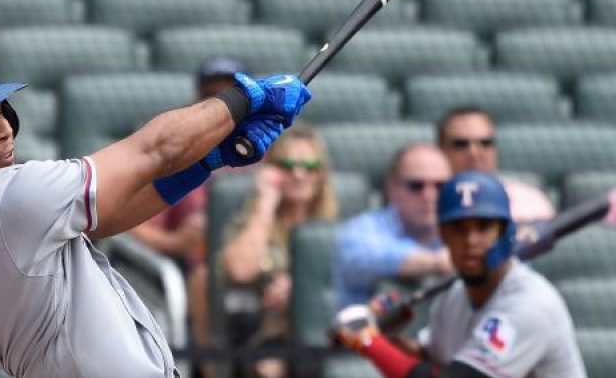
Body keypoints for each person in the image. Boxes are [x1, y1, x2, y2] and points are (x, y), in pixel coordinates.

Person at [0, 54, 311, 378]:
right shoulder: (9, 199)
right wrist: (244, 98)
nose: (4, 130)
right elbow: (154, 150)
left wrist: (205, 160)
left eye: (0, 111)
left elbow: (105, 215)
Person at [333, 171, 586, 378]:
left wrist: (370, 343)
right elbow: (433, 363)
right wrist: (390, 340)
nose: (471, 241)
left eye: (484, 227)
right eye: (458, 228)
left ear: (505, 232)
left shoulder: (531, 304)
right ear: (443, 235)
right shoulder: (454, 295)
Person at [129, 55, 248, 377]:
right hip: (195, 268)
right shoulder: (178, 155)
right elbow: (130, 224)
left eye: (233, 95)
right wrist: (175, 242)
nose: (223, 104)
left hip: (259, 265)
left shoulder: (266, 150)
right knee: (203, 277)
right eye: (213, 95)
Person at [219, 124, 338, 378]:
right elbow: (240, 271)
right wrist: (266, 202)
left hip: (327, 333)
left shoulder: (336, 227)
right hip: (268, 335)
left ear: (321, 175)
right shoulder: (250, 224)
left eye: (310, 167)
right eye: (287, 166)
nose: (299, 174)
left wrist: (301, 289)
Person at [333, 143, 453, 310]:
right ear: (391, 188)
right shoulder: (362, 229)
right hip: (367, 334)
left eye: (440, 186)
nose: (429, 195)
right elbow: (362, 256)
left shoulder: (461, 230)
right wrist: (438, 262)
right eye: (416, 186)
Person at [437, 106, 555, 224]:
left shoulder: (530, 201)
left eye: (485, 143)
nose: (474, 153)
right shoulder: (426, 199)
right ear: (441, 150)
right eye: (461, 144)